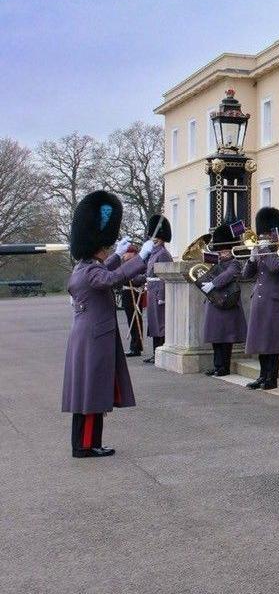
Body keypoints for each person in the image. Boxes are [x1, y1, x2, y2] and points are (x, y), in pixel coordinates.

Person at [63, 190, 155, 458]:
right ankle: (87, 446)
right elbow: (110, 279)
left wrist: (117, 253)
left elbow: (106, 270)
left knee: (88, 392)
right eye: (105, 247)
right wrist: (141, 257)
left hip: (88, 335)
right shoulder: (91, 270)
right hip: (95, 337)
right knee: (92, 392)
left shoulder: (84, 266)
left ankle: (85, 443)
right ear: (96, 246)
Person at [243, 206, 279, 390]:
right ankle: (262, 375)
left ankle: (272, 378)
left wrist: (265, 251)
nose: (262, 238)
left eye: (265, 235)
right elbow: (247, 274)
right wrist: (252, 258)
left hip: (274, 299)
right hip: (260, 299)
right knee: (260, 340)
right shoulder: (261, 249)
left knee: (272, 342)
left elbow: (276, 268)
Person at [202, 222, 246, 377]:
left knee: (225, 339)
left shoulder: (234, 263)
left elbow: (228, 275)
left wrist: (213, 283)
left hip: (227, 303)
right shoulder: (216, 262)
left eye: (224, 250)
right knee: (216, 338)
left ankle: (224, 367)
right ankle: (217, 365)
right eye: (220, 250)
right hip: (215, 302)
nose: (221, 253)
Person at [139, 214, 172, 364]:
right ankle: (155, 352)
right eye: (153, 237)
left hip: (159, 292)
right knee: (153, 324)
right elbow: (148, 273)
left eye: (157, 237)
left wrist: (162, 296)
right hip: (152, 290)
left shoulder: (163, 254)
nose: (154, 239)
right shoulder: (153, 253)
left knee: (160, 324)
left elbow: (165, 277)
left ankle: (160, 352)